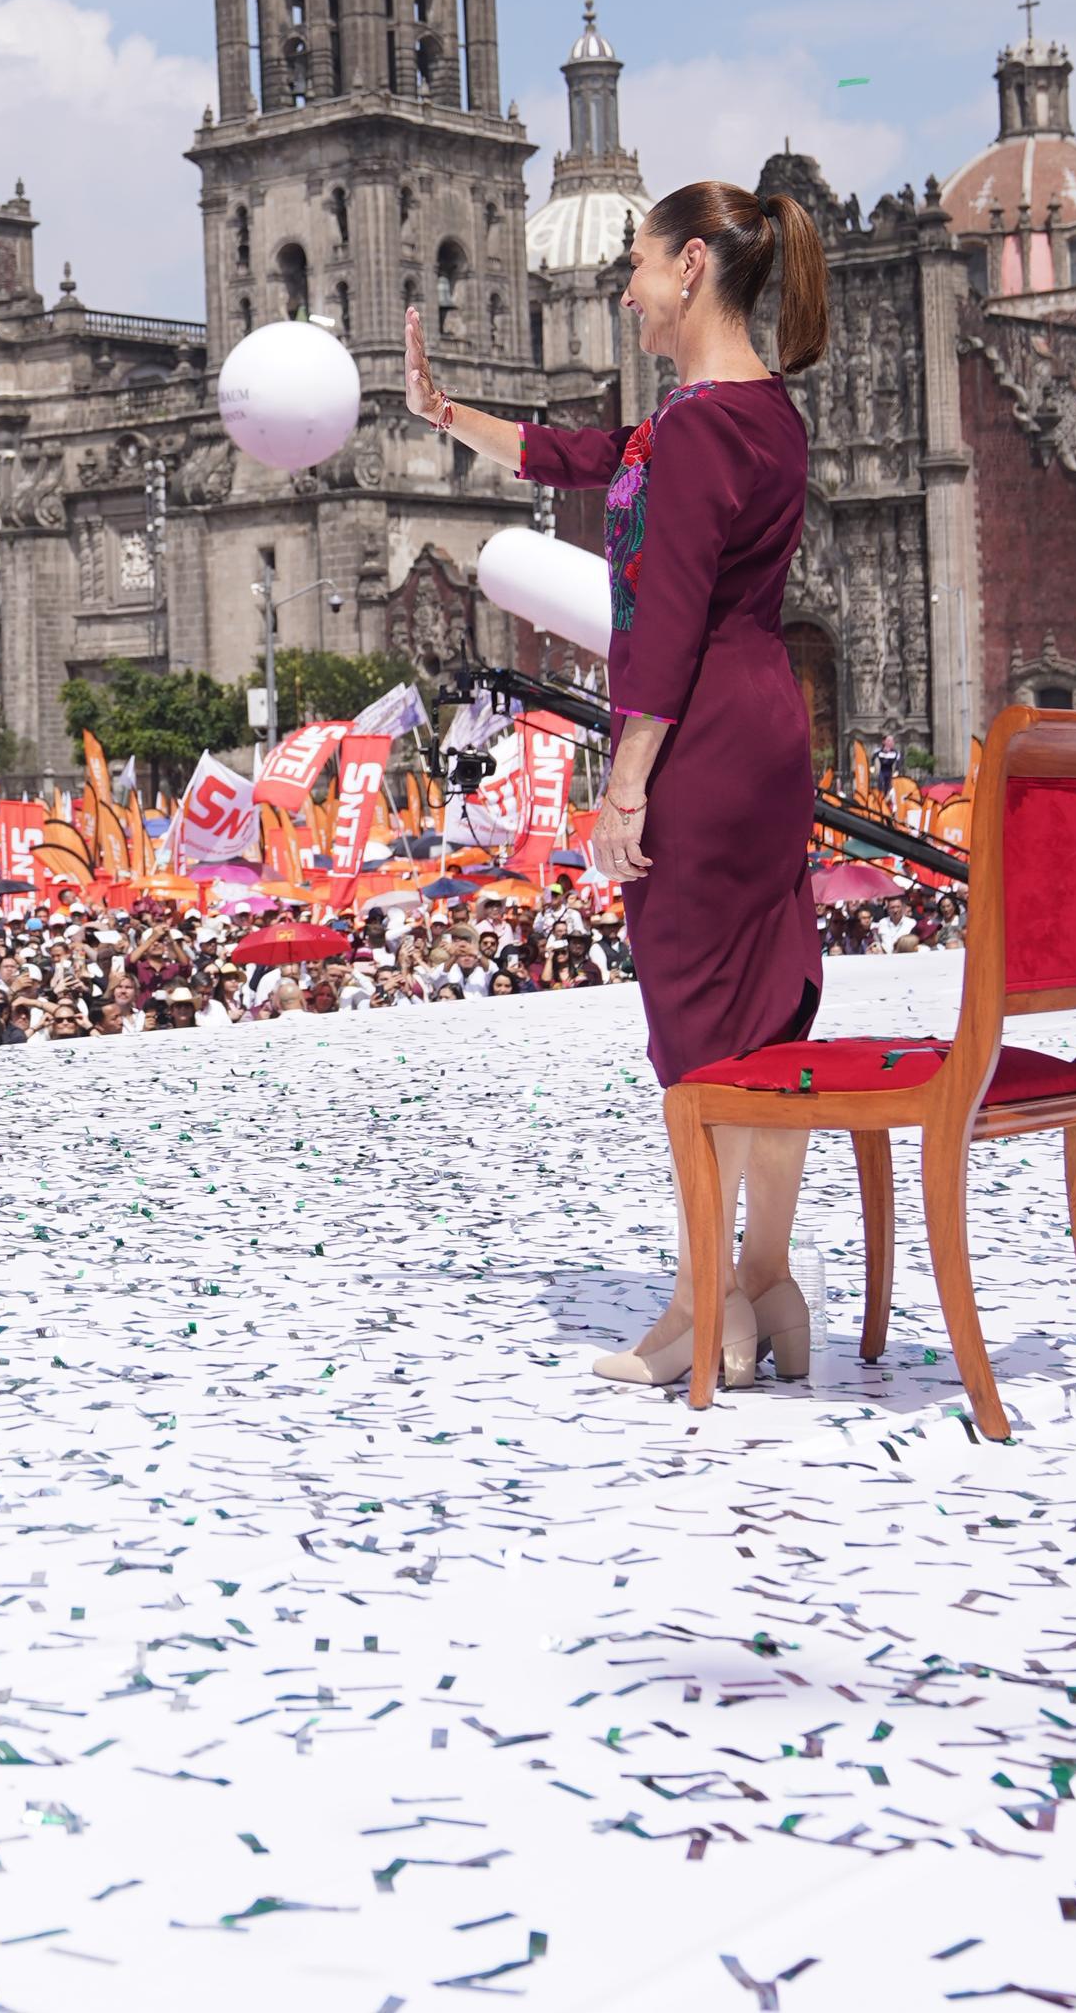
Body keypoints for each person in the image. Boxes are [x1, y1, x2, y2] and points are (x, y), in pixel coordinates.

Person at [406, 177, 830, 1386]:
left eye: (635, 270)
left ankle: (708, 1312)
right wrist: (447, 414)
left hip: (699, 734)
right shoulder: (750, 414)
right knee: (760, 1019)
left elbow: (665, 620)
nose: (626, 294)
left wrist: (626, 779)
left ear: (691, 265)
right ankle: (763, 1282)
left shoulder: (696, 427)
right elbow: (584, 455)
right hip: (765, 726)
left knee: (696, 1033)